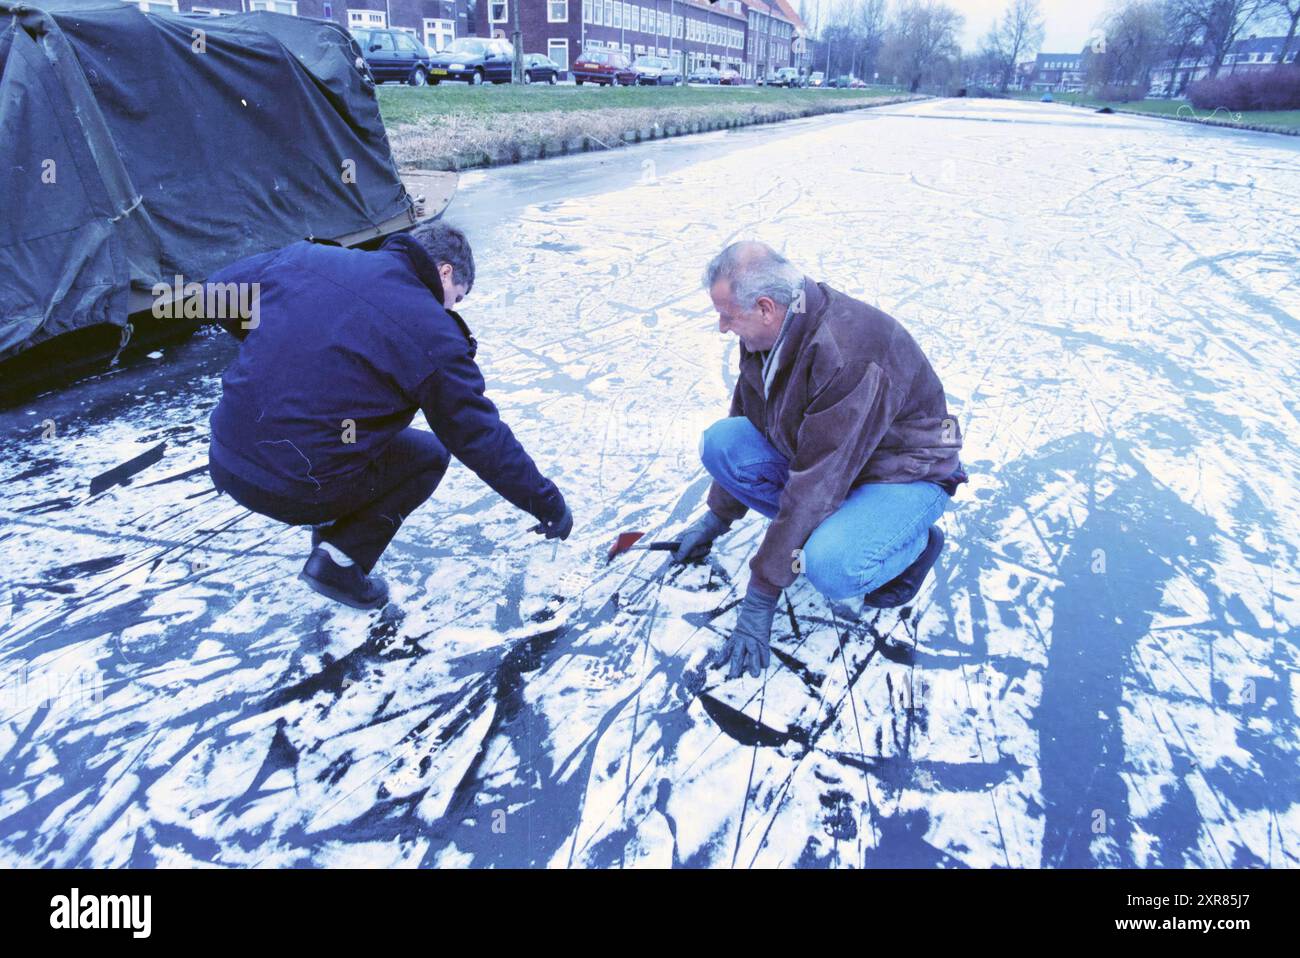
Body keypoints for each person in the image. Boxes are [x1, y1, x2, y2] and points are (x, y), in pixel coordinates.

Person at [205, 221, 571, 610]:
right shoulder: (434, 335)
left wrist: (276, 339)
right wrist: (547, 504)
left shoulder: (308, 258)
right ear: (445, 271)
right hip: (294, 488)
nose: (450, 308)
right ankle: (339, 562)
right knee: (426, 457)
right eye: (456, 298)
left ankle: (329, 533)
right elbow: (479, 437)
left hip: (226, 455)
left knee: (347, 434)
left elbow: (216, 292)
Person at [672, 241, 967, 678]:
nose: (721, 327)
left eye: (727, 315)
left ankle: (915, 544)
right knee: (724, 442)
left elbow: (817, 483)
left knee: (831, 567)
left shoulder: (848, 354)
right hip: (840, 463)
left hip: (904, 474)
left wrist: (761, 596)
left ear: (766, 307)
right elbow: (748, 418)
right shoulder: (767, 336)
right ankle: (831, 529)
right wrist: (716, 518)